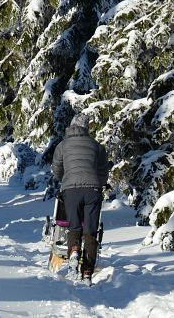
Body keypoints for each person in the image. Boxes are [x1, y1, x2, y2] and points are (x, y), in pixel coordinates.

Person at [52, 114, 109, 285]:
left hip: (71, 191)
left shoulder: (62, 146)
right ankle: (87, 274)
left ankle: (74, 252)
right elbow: (103, 170)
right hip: (92, 190)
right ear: (86, 128)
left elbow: (56, 169)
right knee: (90, 231)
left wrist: (66, 179)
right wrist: (100, 184)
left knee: (74, 227)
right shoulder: (96, 146)